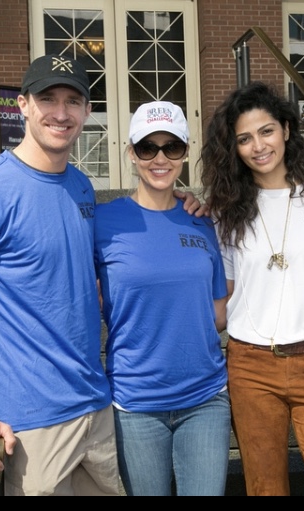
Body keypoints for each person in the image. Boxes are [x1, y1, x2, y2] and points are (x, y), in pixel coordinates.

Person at [201, 82, 304, 496]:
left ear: (287, 130)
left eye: (266, 131)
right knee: (264, 487)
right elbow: (229, 290)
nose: (258, 145)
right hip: (250, 365)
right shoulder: (227, 211)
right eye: (244, 138)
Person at [94, 101, 230, 496]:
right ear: (131, 153)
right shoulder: (103, 222)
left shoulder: (202, 222)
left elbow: (217, 312)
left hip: (205, 398)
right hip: (136, 403)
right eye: (147, 147)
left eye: (171, 147)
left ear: (185, 152)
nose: (159, 158)